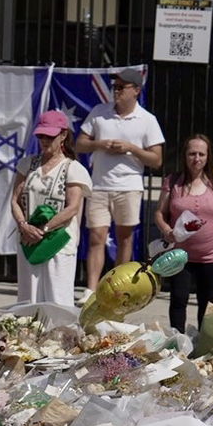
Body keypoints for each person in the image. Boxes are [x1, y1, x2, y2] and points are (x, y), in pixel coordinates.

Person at [75, 66, 164, 298]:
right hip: (100, 184)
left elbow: (156, 159)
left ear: (136, 90)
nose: (116, 91)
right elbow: (79, 144)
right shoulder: (99, 111)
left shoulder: (147, 120)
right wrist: (99, 144)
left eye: (121, 87)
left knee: (125, 238)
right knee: (96, 237)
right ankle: (91, 289)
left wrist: (131, 148)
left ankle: (117, 286)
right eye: (114, 87)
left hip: (129, 186)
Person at [155, 133, 213, 333]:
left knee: (207, 304)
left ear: (208, 157)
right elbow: (159, 212)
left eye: (201, 154)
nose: (196, 159)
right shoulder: (173, 181)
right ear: (185, 155)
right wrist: (166, 230)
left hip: (211, 254)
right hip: (180, 254)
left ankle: (203, 346)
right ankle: (177, 344)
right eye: (192, 154)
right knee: (178, 299)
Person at [11, 111, 89, 309]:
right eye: (41, 136)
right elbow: (15, 200)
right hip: (28, 239)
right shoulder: (27, 164)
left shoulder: (73, 168)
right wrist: (24, 226)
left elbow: (72, 208)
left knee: (58, 300)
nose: (44, 140)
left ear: (63, 135)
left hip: (59, 242)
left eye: (50, 136)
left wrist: (44, 230)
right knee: (28, 299)